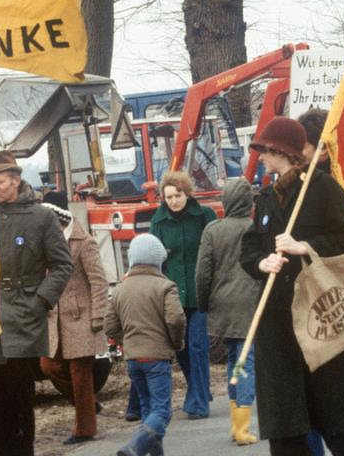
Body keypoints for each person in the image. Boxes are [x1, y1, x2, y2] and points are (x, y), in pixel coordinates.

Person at [240, 117, 344, 456]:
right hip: (277, 329)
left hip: (319, 319)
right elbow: (250, 248)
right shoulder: (265, 197)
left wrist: (305, 247)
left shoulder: (323, 188)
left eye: (265, 151)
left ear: (282, 151)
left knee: (338, 424)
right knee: (285, 431)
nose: (262, 158)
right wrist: (260, 262)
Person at [0, 151, 74, 456]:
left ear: (16, 181)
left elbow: (62, 265)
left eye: (0, 182)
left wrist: (41, 300)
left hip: (24, 314)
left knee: (19, 397)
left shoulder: (42, 217)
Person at [297, 109, 344, 456]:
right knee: (308, 399)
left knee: (342, 400)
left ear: (322, 149)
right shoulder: (293, 187)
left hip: (338, 302)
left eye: (300, 145)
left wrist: (307, 247)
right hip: (308, 304)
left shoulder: (337, 187)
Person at [106, 233, 186, 456]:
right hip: (157, 358)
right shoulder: (165, 287)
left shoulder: (120, 289)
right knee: (162, 411)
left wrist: (128, 342)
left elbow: (110, 326)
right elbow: (176, 319)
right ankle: (135, 447)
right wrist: (176, 343)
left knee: (148, 409)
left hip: (133, 360)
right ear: (158, 259)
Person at [194, 178, 260, 445]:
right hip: (250, 303)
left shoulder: (212, 230)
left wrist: (204, 303)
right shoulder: (255, 229)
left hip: (222, 303)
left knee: (234, 359)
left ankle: (236, 423)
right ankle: (242, 426)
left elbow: (202, 273)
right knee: (247, 361)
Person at [38, 200, 109, 445]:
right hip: (54, 320)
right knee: (49, 366)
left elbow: (99, 281)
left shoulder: (84, 243)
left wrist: (98, 315)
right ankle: (88, 404)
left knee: (81, 373)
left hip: (81, 318)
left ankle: (84, 429)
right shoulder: (46, 244)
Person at [150, 171, 217, 419]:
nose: (174, 201)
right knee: (180, 347)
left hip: (200, 291)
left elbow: (214, 250)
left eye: (177, 196)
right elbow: (156, 260)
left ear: (187, 194)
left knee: (198, 345)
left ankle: (199, 402)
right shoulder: (158, 222)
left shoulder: (204, 216)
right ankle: (198, 387)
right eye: (168, 197)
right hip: (173, 294)